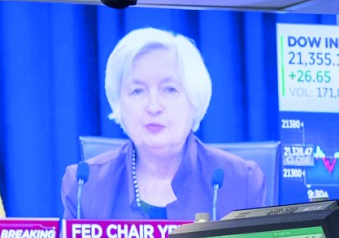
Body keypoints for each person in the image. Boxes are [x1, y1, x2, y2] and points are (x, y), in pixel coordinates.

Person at [61, 27, 267, 221]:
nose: (153, 107)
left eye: (169, 89)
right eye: (137, 91)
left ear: (195, 100)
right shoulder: (85, 187)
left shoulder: (241, 182)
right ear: (118, 103)